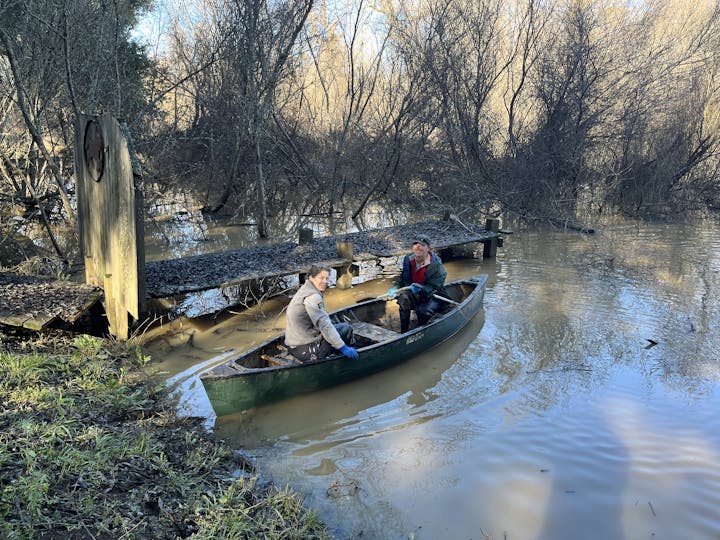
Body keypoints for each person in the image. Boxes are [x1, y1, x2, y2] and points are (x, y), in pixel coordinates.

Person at [285, 263, 359, 362]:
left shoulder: (304, 290)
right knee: (346, 329)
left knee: (341, 328)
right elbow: (324, 325)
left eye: (327, 278)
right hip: (306, 351)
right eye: (321, 278)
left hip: (292, 346)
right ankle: (349, 360)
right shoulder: (313, 297)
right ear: (311, 277)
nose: (325, 281)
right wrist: (342, 347)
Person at [387, 236, 449, 333]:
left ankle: (420, 332)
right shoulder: (408, 259)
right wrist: (396, 286)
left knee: (422, 311)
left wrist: (422, 288)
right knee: (403, 299)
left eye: (422, 245)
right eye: (416, 244)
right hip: (413, 292)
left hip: (432, 295)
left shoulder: (435, 264)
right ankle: (404, 333)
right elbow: (403, 277)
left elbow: (436, 285)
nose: (418, 247)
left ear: (428, 248)